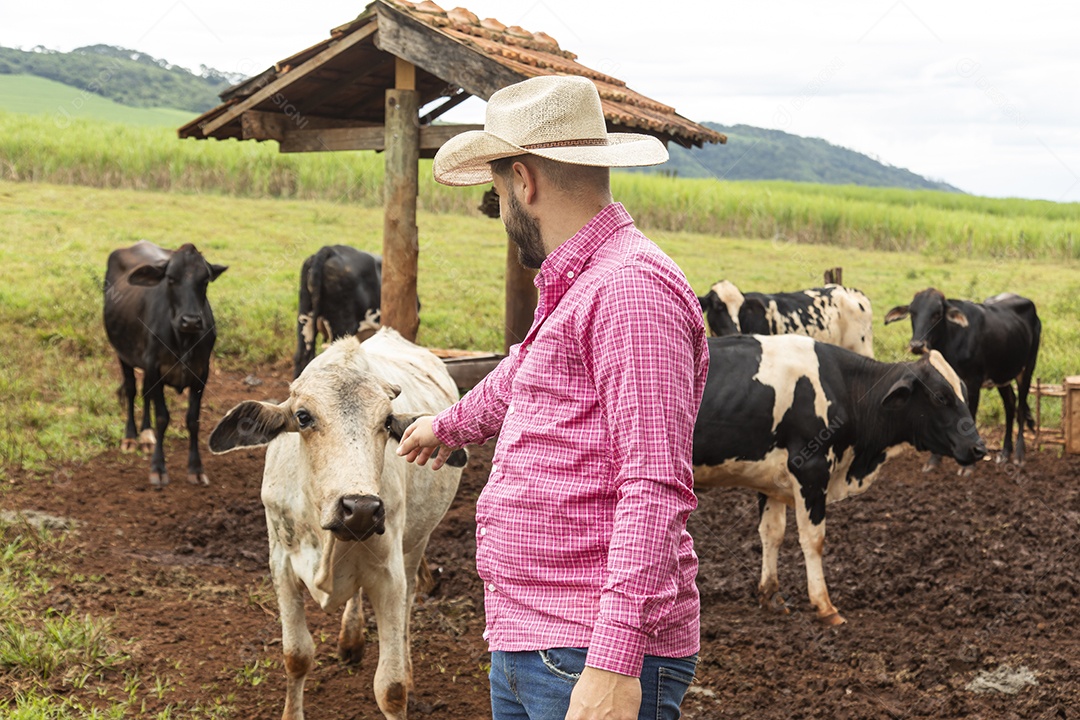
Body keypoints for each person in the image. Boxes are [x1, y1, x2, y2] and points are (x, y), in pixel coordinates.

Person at [397, 75, 709, 720]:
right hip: (533, 637)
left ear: (524, 182)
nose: (500, 212)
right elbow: (526, 372)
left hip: (588, 650)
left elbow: (654, 485)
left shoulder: (631, 292)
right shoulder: (583, 280)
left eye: (496, 194)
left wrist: (613, 663)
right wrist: (447, 425)